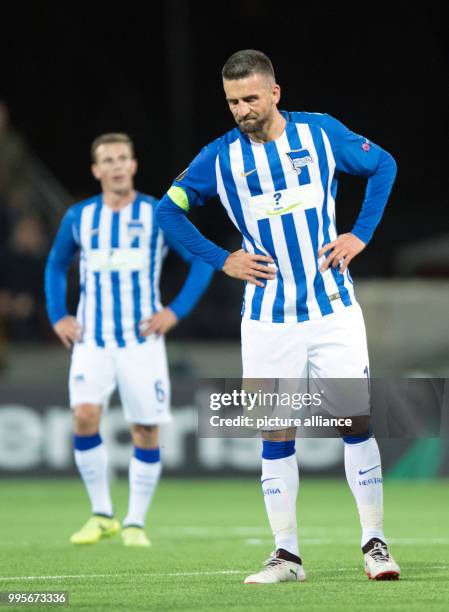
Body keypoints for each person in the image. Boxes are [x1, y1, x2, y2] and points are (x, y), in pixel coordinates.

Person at [157, 50, 400, 583]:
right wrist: (222, 259)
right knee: (275, 431)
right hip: (267, 318)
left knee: (353, 423)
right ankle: (286, 556)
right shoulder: (217, 159)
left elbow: (383, 163)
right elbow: (167, 211)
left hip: (332, 309)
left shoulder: (320, 134)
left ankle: (375, 544)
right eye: (231, 102)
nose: (241, 109)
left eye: (249, 98)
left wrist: (360, 234)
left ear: (274, 93)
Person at [45, 133, 213, 547]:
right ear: (96, 170)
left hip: (141, 343)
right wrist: (58, 316)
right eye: (108, 160)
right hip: (93, 340)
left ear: (133, 166)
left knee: (145, 430)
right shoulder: (79, 217)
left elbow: (201, 261)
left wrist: (174, 312)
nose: (117, 166)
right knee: (84, 416)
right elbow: (55, 264)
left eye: (124, 158)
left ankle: (135, 522)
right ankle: (102, 513)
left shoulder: (157, 214)